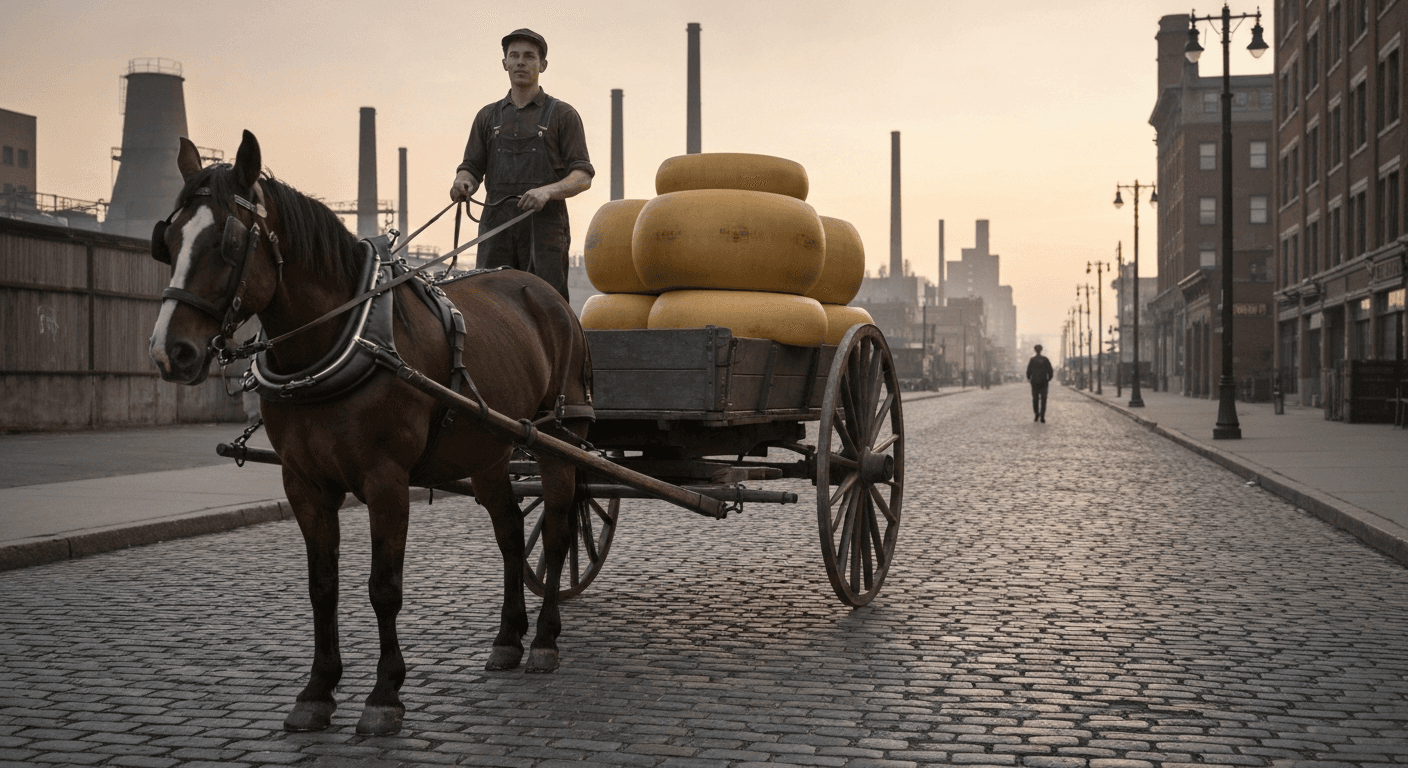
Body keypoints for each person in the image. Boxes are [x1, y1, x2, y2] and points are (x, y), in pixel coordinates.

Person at [450, 28, 594, 301]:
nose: (520, 62)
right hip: (496, 228)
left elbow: (583, 175)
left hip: (544, 231)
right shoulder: (487, 117)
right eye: (513, 56)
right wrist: (463, 180)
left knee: (546, 306)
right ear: (504, 63)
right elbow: (470, 166)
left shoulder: (562, 115)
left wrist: (547, 192)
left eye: (529, 57)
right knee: (491, 305)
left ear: (543, 65)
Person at [1026, 344, 1053, 423]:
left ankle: (1036, 414)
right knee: (1043, 400)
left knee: (1035, 399)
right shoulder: (1045, 359)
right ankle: (1042, 416)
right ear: (1041, 350)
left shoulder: (1032, 360)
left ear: (1035, 350)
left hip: (1035, 383)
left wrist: (1029, 378)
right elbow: (1050, 371)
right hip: (1044, 382)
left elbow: (1028, 371)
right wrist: (1048, 379)